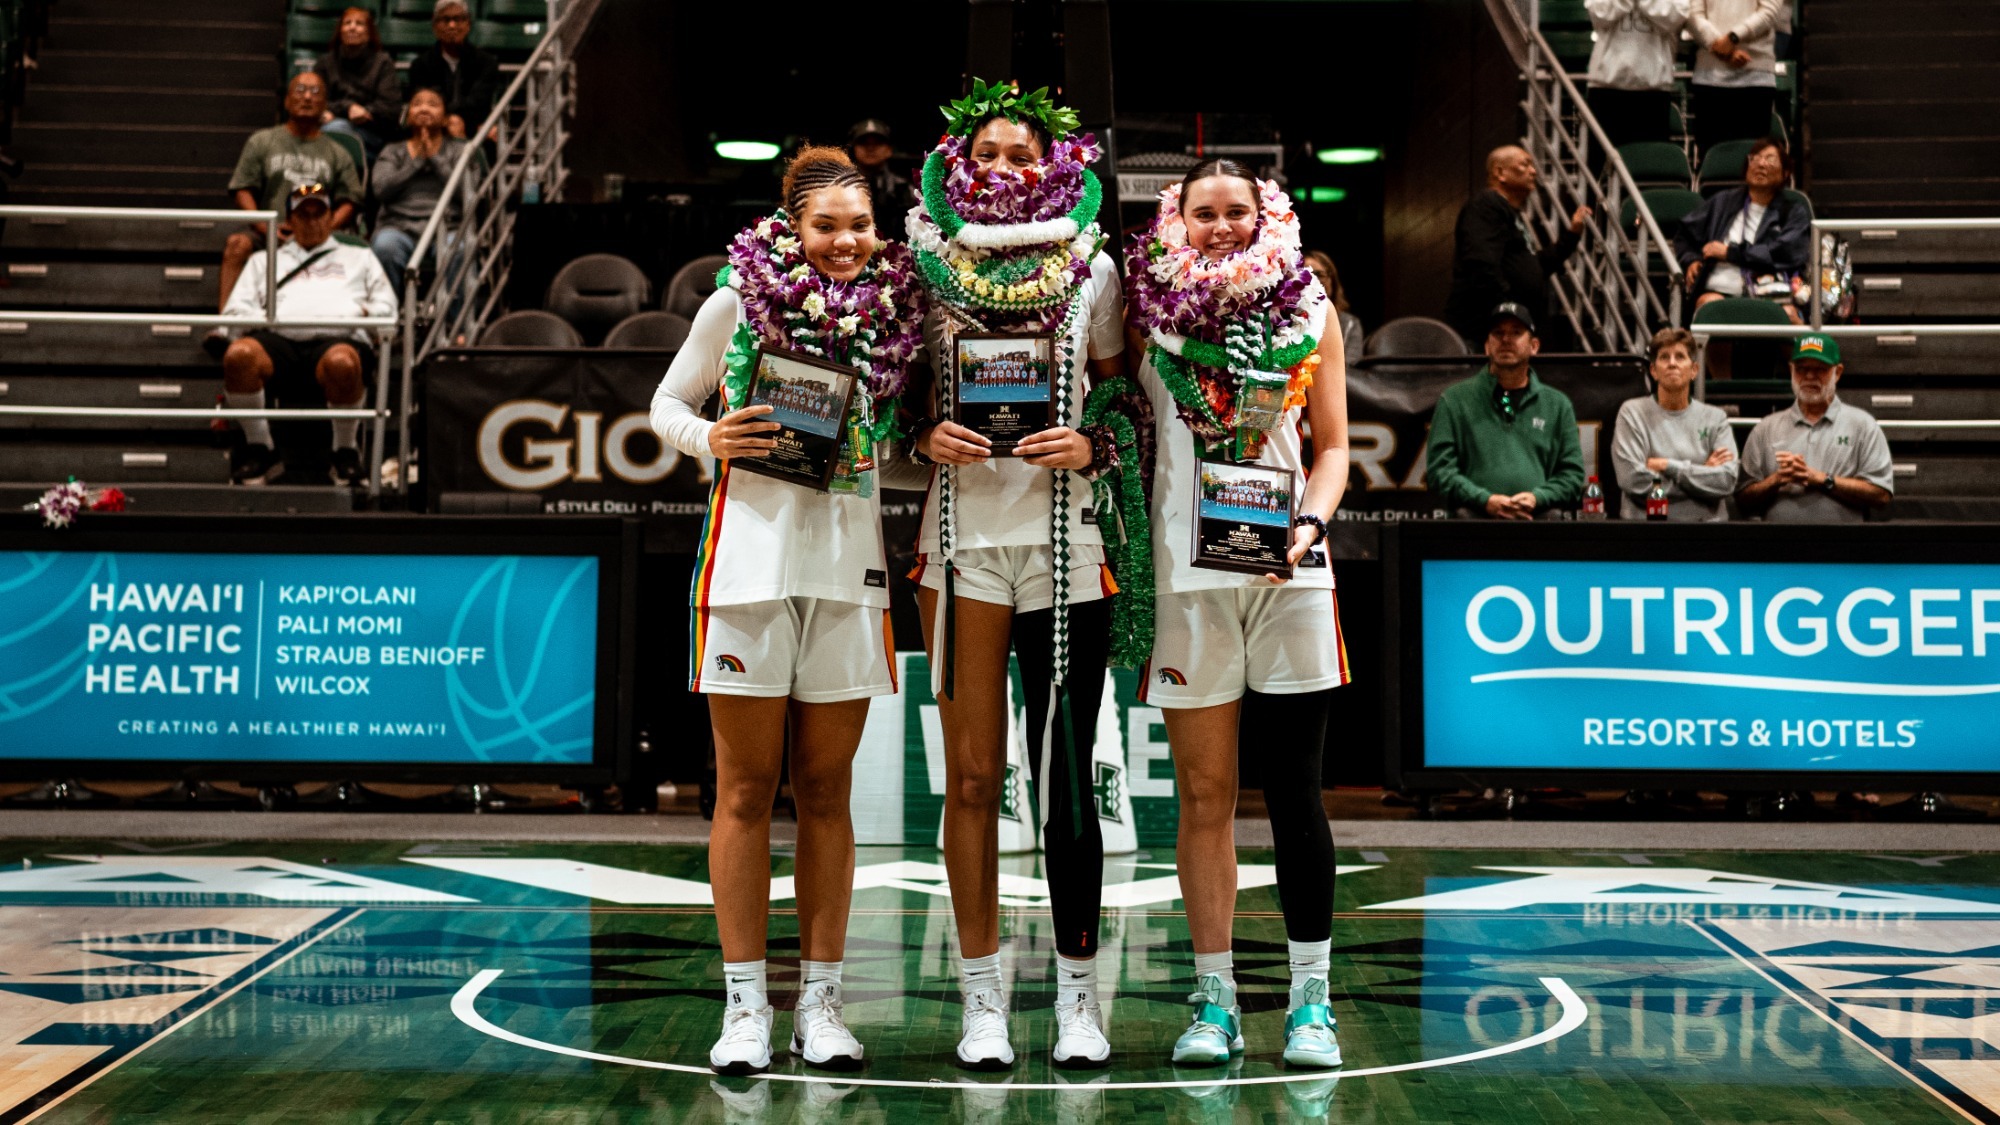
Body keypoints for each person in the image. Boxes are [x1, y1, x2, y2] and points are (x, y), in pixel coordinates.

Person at [649, 146, 929, 1077]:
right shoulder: (735, 299)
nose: (844, 242)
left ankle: (821, 1006)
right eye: (826, 226)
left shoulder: (898, 315)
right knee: (741, 791)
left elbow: (905, 439)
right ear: (791, 225)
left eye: (859, 225)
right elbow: (665, 401)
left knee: (827, 794)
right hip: (746, 574)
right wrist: (708, 434)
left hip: (849, 576)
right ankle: (744, 1010)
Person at [903, 81, 1146, 1072]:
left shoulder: (1094, 270)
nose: (1004, 168)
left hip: (1066, 544)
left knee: (1063, 780)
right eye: (987, 154)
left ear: (1057, 168)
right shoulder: (923, 268)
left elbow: (1124, 397)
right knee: (969, 782)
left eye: (1021, 155)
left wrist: (1091, 447)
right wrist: (922, 433)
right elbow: (892, 403)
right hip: (959, 542)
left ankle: (1079, 1003)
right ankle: (982, 1002)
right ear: (960, 166)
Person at [1126, 157, 1350, 1070]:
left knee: (1295, 792)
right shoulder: (1147, 319)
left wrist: (1309, 522)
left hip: (1288, 574)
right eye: (1204, 212)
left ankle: (1310, 1002)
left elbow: (1332, 449)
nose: (1221, 226)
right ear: (1176, 219)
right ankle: (1213, 996)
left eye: (1237, 211)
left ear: (1268, 217)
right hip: (1188, 577)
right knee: (1205, 799)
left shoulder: (1309, 312)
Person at [219, 183, 396, 488]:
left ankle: (345, 450)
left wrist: (360, 316)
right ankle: (261, 447)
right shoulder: (265, 260)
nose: (312, 220)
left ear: (331, 218)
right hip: (278, 338)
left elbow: (387, 308)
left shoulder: (360, 257)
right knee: (239, 355)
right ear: (289, 221)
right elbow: (235, 312)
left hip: (339, 338)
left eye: (319, 213)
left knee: (343, 361)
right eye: (303, 214)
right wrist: (267, 319)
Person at [217, 72, 363, 329]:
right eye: (300, 90)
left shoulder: (336, 152)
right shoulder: (262, 141)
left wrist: (321, 229)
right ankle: (225, 326)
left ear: (326, 105)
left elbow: (349, 200)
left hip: (319, 232)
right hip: (271, 230)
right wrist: (265, 227)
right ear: (286, 101)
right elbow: (242, 189)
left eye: (315, 92)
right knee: (236, 244)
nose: (307, 96)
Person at [1426, 303, 1587, 519]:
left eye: (1516, 333)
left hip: (1538, 518)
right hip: (1473, 519)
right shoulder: (1454, 400)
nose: (1506, 339)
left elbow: (1572, 476)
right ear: (1487, 346)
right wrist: (1485, 500)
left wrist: (1537, 498)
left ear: (1534, 346)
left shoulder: (1557, 404)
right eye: (1498, 333)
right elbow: (1440, 472)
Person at [1442, 146, 1592, 346]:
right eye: (1525, 164)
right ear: (1499, 172)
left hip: (1510, 328)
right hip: (1491, 332)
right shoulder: (1487, 205)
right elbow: (1481, 264)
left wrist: (1572, 234)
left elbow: (1537, 266)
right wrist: (1509, 311)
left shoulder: (1511, 214)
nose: (1533, 171)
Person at [1737, 333, 1893, 521]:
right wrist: (1776, 480)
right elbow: (1742, 498)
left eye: (1820, 369)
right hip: (1777, 545)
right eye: (1802, 369)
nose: (1810, 376)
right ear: (1791, 369)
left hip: (1844, 546)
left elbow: (1881, 495)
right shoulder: (1765, 428)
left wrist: (1823, 480)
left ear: (1838, 372)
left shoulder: (1863, 425)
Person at [1611, 326, 1739, 519]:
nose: (1672, 364)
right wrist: (1703, 473)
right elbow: (1632, 480)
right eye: (1664, 357)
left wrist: (1667, 466)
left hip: (1707, 534)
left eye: (1680, 356)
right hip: (1647, 532)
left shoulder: (1716, 418)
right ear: (1653, 371)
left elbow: (1726, 481)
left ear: (1694, 370)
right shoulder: (1632, 413)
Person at [1676, 139, 1809, 318]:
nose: (1761, 163)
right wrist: (1691, 259)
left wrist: (1729, 253)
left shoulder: (1793, 212)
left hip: (1771, 295)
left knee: (1789, 315)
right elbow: (1685, 234)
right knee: (1708, 305)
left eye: (1770, 159)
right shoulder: (1722, 202)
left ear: (1785, 173)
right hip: (1720, 289)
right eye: (1755, 158)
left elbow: (1785, 253)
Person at [370, 87, 469, 295]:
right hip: (397, 226)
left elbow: (468, 194)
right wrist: (415, 164)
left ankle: (456, 324)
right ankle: (388, 319)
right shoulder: (393, 151)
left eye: (433, 104)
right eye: (417, 104)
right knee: (384, 248)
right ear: (407, 117)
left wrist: (435, 159)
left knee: (458, 251)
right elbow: (381, 190)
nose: (424, 108)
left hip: (447, 226)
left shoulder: (460, 151)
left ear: (445, 119)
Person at [1585, 0, 1689, 148]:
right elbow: (1598, 13)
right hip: (1607, 84)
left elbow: (1675, 16)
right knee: (1601, 164)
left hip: (1653, 87)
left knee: (1649, 165)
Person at [1689, 0, 1784, 155]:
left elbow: (1769, 11)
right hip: (1710, 78)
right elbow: (1692, 15)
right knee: (1712, 159)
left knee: (1752, 161)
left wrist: (1733, 37)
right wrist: (1721, 48)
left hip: (1755, 77)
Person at [315, 7, 402, 162]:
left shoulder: (382, 63)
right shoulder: (325, 62)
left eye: (359, 23)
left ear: (369, 33)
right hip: (331, 128)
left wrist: (365, 112)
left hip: (372, 133)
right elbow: (317, 101)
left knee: (335, 130)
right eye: (347, 23)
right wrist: (348, 107)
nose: (352, 27)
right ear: (340, 30)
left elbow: (390, 107)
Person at [407, 0, 500, 140]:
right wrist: (447, 121)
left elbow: (478, 103)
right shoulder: (420, 65)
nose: (452, 25)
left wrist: (459, 121)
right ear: (435, 26)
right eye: (445, 20)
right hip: (434, 127)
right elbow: (425, 102)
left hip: (475, 127)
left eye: (458, 19)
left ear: (468, 24)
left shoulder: (486, 63)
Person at [848, 118, 913, 240]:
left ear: (889, 149)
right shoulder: (840, 187)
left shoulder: (903, 189)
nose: (870, 148)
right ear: (854, 148)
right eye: (863, 143)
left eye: (878, 143)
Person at [1303, 249, 1364, 365]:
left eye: (1319, 274)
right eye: (1306, 273)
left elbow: (1351, 366)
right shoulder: (1286, 321)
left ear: (1332, 281)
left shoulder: (1350, 323)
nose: (1313, 280)